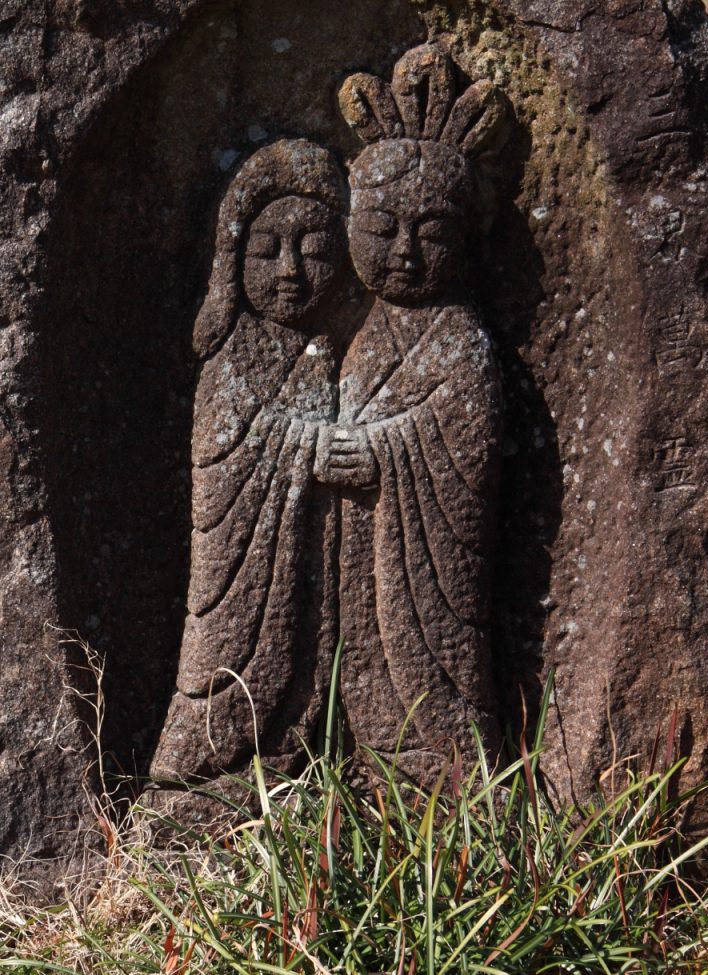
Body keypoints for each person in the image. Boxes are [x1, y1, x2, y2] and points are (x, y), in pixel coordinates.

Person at [146, 139, 354, 804]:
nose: (291, 270)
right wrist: (312, 449)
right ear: (235, 261)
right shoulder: (233, 356)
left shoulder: (337, 348)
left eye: (314, 249)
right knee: (227, 648)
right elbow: (223, 464)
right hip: (240, 568)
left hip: (317, 556)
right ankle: (206, 773)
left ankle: (308, 754)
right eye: (268, 250)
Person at [330, 44, 511, 781]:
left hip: (427, 568)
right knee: (361, 662)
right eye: (381, 229)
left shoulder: (460, 340)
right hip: (359, 550)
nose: (404, 252)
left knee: (432, 671)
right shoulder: (367, 338)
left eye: (430, 233)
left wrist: (381, 453)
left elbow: (465, 447)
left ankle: (454, 781)